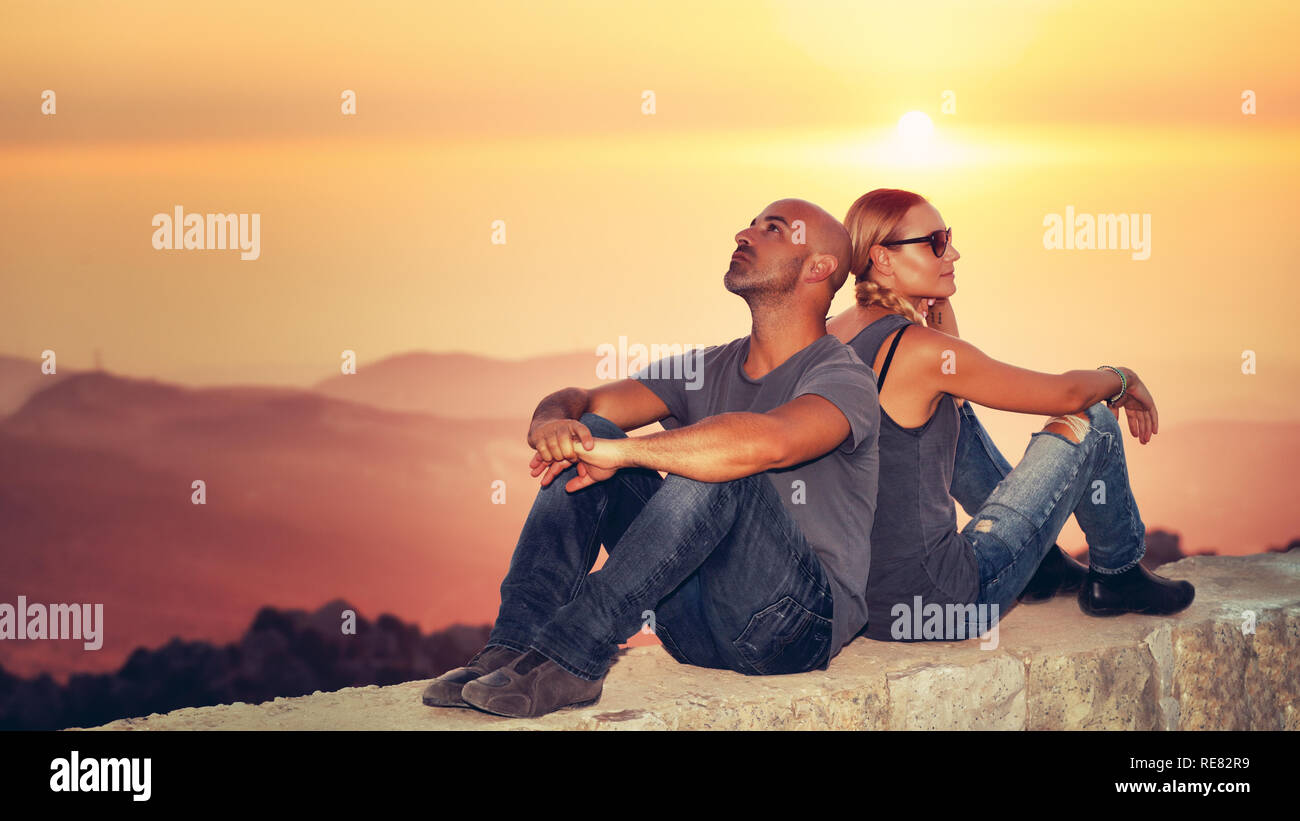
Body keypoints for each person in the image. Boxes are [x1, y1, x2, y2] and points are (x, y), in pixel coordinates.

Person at [422, 198, 881, 717]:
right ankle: (514, 645)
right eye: (749, 225)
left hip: (794, 626)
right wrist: (553, 425)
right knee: (590, 433)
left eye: (771, 230)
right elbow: (583, 400)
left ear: (818, 268)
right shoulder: (707, 366)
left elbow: (769, 441)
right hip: (695, 630)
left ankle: (573, 656)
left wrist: (623, 453)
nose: (743, 235)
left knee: (720, 466)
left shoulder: (844, 376)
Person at [828, 188, 1194, 643]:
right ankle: (1117, 574)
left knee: (945, 416)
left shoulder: (834, 332)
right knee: (1093, 421)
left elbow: (952, 392)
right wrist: (1122, 377)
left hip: (870, 602)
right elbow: (1066, 392)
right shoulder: (918, 351)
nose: (953, 251)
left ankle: (1040, 565)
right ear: (882, 258)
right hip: (947, 599)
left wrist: (929, 291)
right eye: (936, 243)